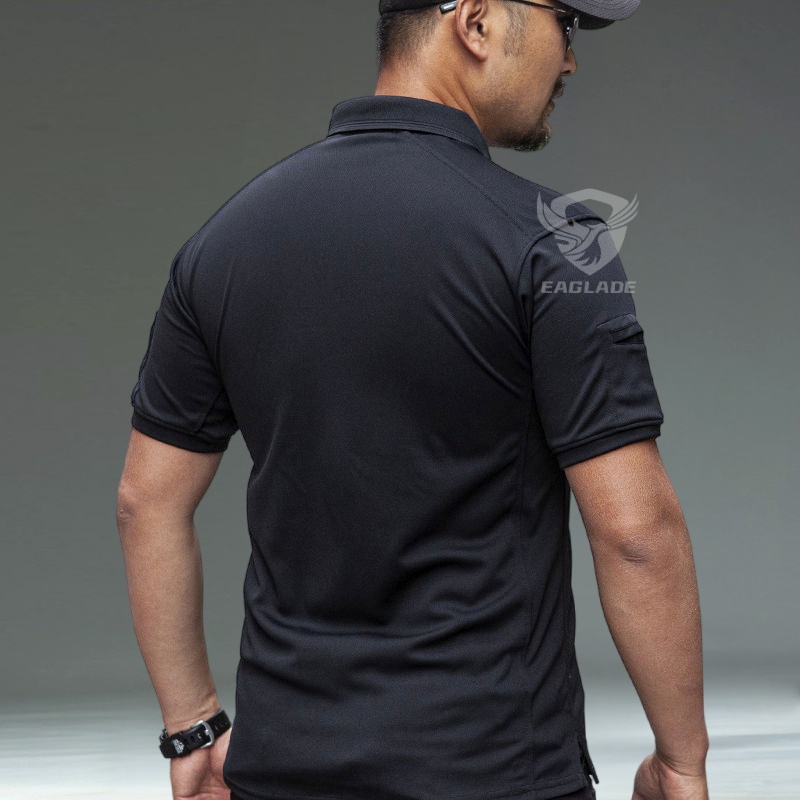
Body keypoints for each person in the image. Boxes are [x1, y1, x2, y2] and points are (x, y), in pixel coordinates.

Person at [117, 1, 709, 799]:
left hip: (283, 770)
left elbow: (145, 502)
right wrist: (680, 760)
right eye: (565, 23)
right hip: (497, 772)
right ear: (477, 22)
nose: (570, 59)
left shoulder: (221, 244)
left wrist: (191, 726)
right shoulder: (556, 244)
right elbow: (637, 533)